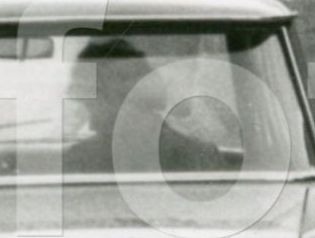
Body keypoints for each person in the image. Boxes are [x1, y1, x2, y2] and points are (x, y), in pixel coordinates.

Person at [61, 39, 222, 175]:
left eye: (86, 94)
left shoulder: (82, 158)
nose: (83, 104)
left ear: (111, 97)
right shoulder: (200, 153)